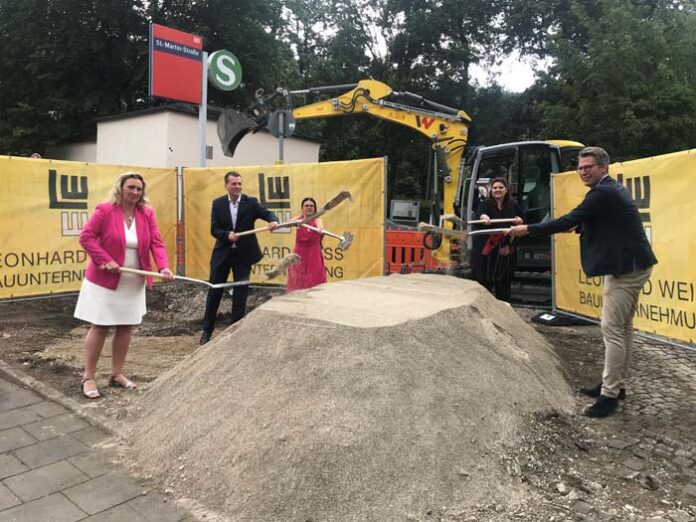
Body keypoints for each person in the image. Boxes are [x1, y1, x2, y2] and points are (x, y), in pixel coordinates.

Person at [507, 147, 657, 418]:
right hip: (631, 264)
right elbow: (592, 223)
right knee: (622, 329)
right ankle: (616, 384)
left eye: (589, 167)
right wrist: (575, 227)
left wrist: (527, 229)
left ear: (604, 168)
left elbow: (570, 219)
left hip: (627, 269)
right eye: (580, 167)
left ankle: (609, 396)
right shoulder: (608, 191)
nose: (583, 171)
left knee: (612, 330)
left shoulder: (602, 193)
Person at [75, 172, 174, 399]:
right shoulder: (105, 210)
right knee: (100, 326)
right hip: (105, 280)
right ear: (120, 188)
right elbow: (86, 237)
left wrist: (163, 268)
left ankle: (117, 373)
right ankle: (88, 377)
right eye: (131, 187)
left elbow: (157, 243)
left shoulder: (146, 213)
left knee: (126, 327)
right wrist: (104, 260)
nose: (135, 192)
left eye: (139, 189)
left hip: (133, 282)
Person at [200, 171, 278, 345]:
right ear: (226, 185)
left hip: (243, 256)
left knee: (240, 295)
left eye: (239, 184)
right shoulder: (218, 204)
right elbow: (214, 229)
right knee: (215, 292)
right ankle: (206, 332)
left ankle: (235, 334)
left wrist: (272, 221)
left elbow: (267, 214)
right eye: (234, 184)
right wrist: (226, 234)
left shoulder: (250, 203)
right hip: (223, 255)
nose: (237, 187)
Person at [470, 177, 524, 302]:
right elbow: (480, 215)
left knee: (503, 286)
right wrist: (484, 218)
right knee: (484, 285)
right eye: (495, 188)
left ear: (506, 190)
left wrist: (518, 220)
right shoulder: (486, 204)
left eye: (500, 187)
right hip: (487, 252)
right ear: (491, 190)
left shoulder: (512, 205)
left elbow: (522, 221)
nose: (497, 190)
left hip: (505, 250)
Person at [286, 197, 327, 292]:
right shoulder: (298, 219)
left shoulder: (317, 219)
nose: (309, 207)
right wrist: (296, 223)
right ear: (302, 208)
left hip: (314, 253)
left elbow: (320, 227)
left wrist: (321, 230)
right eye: (306, 205)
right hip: (299, 253)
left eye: (311, 206)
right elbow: (287, 224)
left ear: (315, 208)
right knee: (297, 276)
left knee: (314, 276)